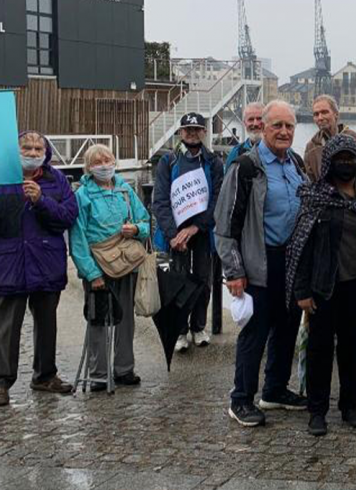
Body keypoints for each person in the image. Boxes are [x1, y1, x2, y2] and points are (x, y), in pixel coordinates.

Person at [215, 100, 309, 427]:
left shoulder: (296, 164)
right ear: (263, 128)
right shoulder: (246, 167)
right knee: (255, 333)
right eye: (277, 126)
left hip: (291, 261)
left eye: (289, 126)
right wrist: (234, 271)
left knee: (286, 328)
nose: (284, 132)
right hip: (258, 261)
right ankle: (240, 399)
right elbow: (225, 226)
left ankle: (275, 389)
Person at [286, 134, 356, 437]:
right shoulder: (315, 196)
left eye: (351, 158)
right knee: (319, 349)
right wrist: (301, 292)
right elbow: (300, 245)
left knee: (352, 348)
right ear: (330, 161)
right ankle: (317, 410)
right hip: (323, 285)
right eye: (340, 158)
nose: (347, 163)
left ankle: (350, 406)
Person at [0, 131, 79, 407]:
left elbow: (68, 217)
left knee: (47, 324)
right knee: (5, 328)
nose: (33, 151)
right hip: (9, 264)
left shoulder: (56, 179)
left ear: (46, 153)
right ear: (16, 150)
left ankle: (44, 375)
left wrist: (42, 201)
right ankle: (0, 384)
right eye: (27, 147)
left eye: (39, 148)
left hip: (45, 263)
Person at [69, 144, 150, 392]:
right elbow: (78, 238)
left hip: (126, 262)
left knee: (125, 318)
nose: (104, 165)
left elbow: (145, 220)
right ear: (89, 167)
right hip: (98, 264)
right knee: (98, 320)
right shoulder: (82, 196)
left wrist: (136, 229)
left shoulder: (125, 190)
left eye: (108, 159)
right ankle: (98, 373)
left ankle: (125, 369)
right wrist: (91, 273)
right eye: (98, 161)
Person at [152, 112, 223, 351]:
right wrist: (173, 234)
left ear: (204, 132)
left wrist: (196, 227)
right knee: (177, 280)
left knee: (203, 280)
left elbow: (217, 200)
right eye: (188, 130)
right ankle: (180, 330)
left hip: (202, 231)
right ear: (180, 132)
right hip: (176, 233)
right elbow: (160, 200)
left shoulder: (213, 162)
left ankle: (198, 327)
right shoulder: (168, 161)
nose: (192, 133)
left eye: (197, 129)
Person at [304, 95, 356, 184]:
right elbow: (311, 181)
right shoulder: (311, 147)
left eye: (324, 112)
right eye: (316, 114)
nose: (320, 118)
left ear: (336, 114)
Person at [225, 102, 265, 172]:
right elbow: (228, 181)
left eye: (259, 119)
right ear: (244, 123)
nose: (255, 124)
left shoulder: (279, 151)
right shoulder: (236, 153)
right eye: (251, 119)